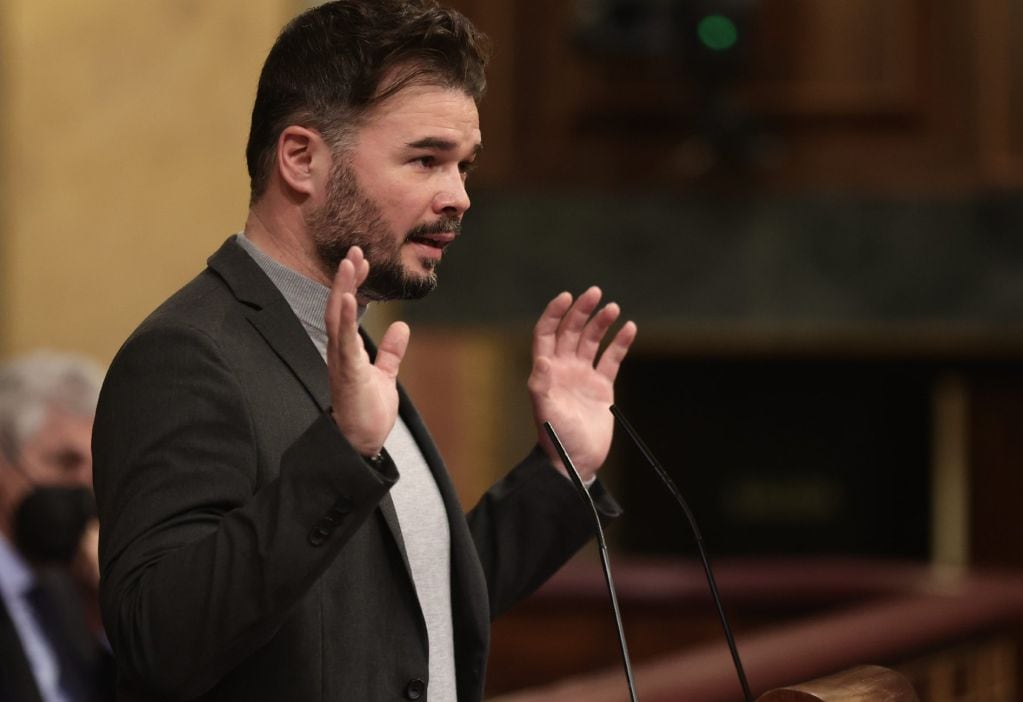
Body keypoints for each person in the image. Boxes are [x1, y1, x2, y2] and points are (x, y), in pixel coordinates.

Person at [93, 1, 638, 700]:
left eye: (463, 166)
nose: (460, 196)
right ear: (301, 158)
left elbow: (405, 607)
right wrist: (341, 453)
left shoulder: (347, 344)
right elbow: (157, 640)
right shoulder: (187, 355)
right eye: (426, 160)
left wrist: (563, 473)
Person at [0, 351, 113, 702]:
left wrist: (110, 614)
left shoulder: (72, 589)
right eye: (65, 462)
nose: (84, 489)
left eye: (93, 470)